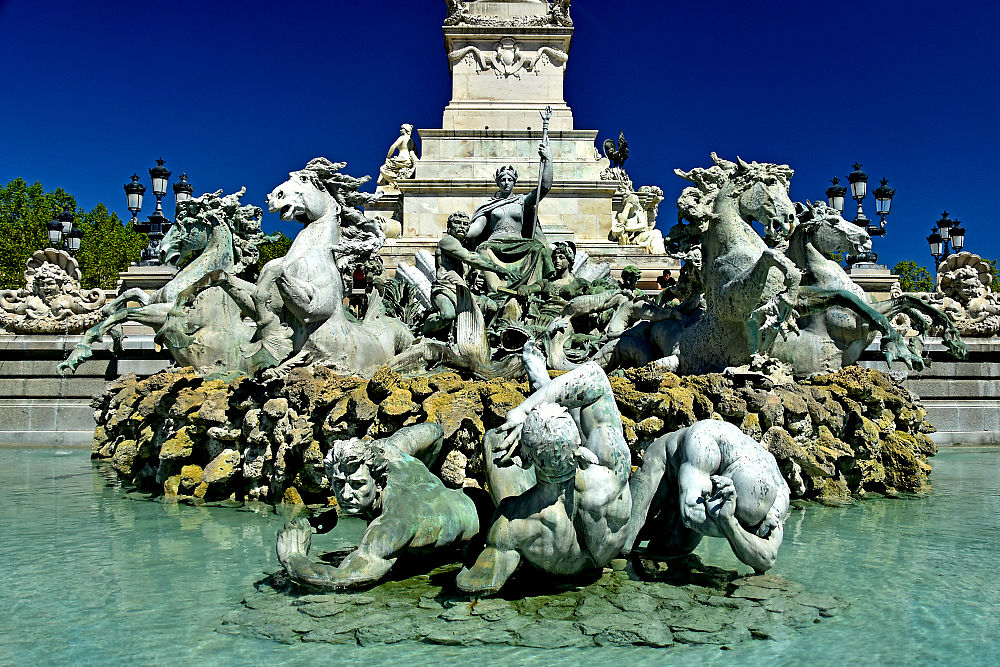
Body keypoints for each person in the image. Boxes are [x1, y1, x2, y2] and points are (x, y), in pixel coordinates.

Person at [456, 344, 632, 595]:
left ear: (526, 460)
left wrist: (471, 558)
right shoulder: (614, 469)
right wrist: (525, 410)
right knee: (583, 419)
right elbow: (596, 379)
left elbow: (479, 583)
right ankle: (545, 388)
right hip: (607, 550)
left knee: (495, 440)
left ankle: (542, 390)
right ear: (580, 449)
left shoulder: (512, 520)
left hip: (558, 561)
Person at [276, 423, 479, 589]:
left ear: (378, 482)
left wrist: (293, 557)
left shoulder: (395, 522)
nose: (345, 494)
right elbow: (435, 431)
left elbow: (341, 579)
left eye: (358, 484)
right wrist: (428, 482)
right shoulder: (388, 450)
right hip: (460, 499)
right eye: (338, 483)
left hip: (479, 527)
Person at [624, 420, 790, 573]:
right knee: (624, 542)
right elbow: (689, 513)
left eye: (749, 524)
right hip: (666, 464)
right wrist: (745, 536)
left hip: (701, 491)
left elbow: (766, 560)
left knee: (672, 552)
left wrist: (729, 521)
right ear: (724, 483)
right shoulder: (705, 441)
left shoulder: (780, 496)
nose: (746, 527)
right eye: (740, 518)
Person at [465, 143, 554, 291]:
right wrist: (462, 233)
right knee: (483, 248)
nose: (506, 183)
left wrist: (548, 159)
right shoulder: (489, 205)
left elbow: (544, 187)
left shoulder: (522, 201)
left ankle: (531, 290)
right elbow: (477, 228)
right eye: (503, 179)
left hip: (518, 243)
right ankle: (496, 290)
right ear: (497, 182)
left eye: (509, 179)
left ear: (514, 181)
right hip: (495, 243)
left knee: (537, 248)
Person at [422, 212, 512, 336]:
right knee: (447, 315)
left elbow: (468, 269)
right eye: (457, 223)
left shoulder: (462, 246)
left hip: (462, 292)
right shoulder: (447, 241)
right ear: (449, 227)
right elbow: (470, 258)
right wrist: (497, 268)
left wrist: (475, 278)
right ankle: (422, 332)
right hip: (444, 291)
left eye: (465, 224)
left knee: (492, 306)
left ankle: (480, 334)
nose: (462, 226)